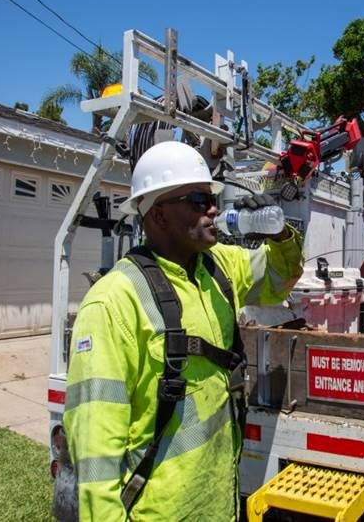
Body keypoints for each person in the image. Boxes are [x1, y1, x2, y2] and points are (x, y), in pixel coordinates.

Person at [63, 141, 304, 522]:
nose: (212, 209)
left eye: (211, 198)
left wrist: (279, 235)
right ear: (158, 215)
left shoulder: (218, 266)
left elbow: (279, 279)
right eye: (197, 200)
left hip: (217, 504)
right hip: (158, 512)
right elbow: (95, 454)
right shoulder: (113, 302)